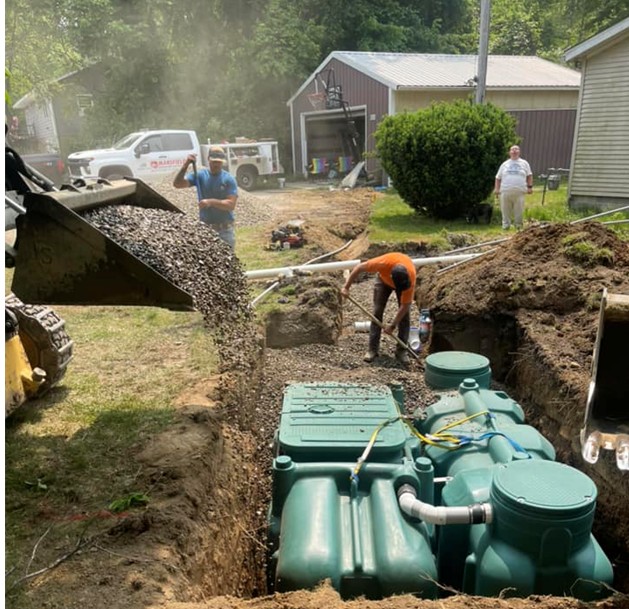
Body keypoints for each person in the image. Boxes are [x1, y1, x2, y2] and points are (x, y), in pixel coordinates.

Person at [341, 252, 416, 365]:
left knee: (405, 317)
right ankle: (373, 350)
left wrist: (393, 325)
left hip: (400, 281)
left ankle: (401, 351)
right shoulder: (382, 263)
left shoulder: (409, 278)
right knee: (377, 312)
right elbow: (359, 267)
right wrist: (346, 287)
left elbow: (405, 305)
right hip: (383, 280)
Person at [173, 145, 238, 248]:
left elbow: (230, 205)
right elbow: (178, 184)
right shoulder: (200, 176)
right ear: (208, 159)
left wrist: (210, 202)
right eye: (214, 161)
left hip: (225, 231)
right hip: (206, 231)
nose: (216, 164)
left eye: (219, 162)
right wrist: (186, 165)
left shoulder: (228, 179)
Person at [494, 145, 533, 230]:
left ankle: (518, 226)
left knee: (519, 210)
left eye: (516, 149)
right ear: (509, 152)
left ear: (519, 152)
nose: (514, 151)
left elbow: (529, 175)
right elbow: (498, 177)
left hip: (520, 191)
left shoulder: (524, 163)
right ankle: (505, 226)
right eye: (512, 150)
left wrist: (529, 187)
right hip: (505, 191)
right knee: (505, 210)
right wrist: (497, 189)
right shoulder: (505, 164)